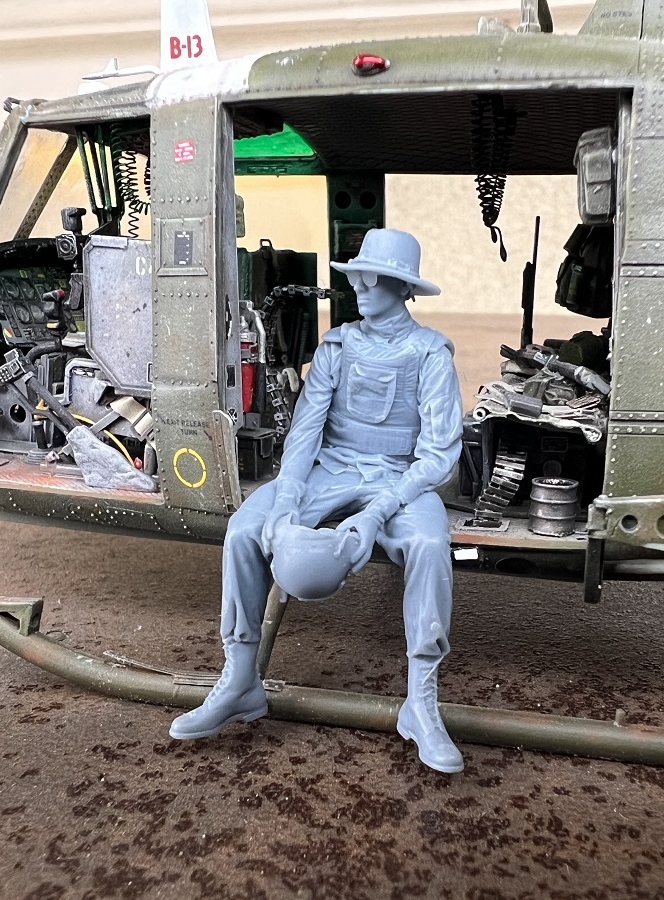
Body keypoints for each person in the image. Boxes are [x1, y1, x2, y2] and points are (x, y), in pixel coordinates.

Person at [169, 229, 466, 773]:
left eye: (374, 278)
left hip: (400, 477)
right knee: (245, 530)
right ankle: (240, 679)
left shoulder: (430, 354)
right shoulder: (337, 347)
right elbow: (305, 432)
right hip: (329, 469)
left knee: (429, 544)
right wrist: (286, 498)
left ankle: (421, 702)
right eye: (357, 277)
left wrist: (377, 512)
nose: (360, 287)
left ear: (404, 288)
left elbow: (439, 455)